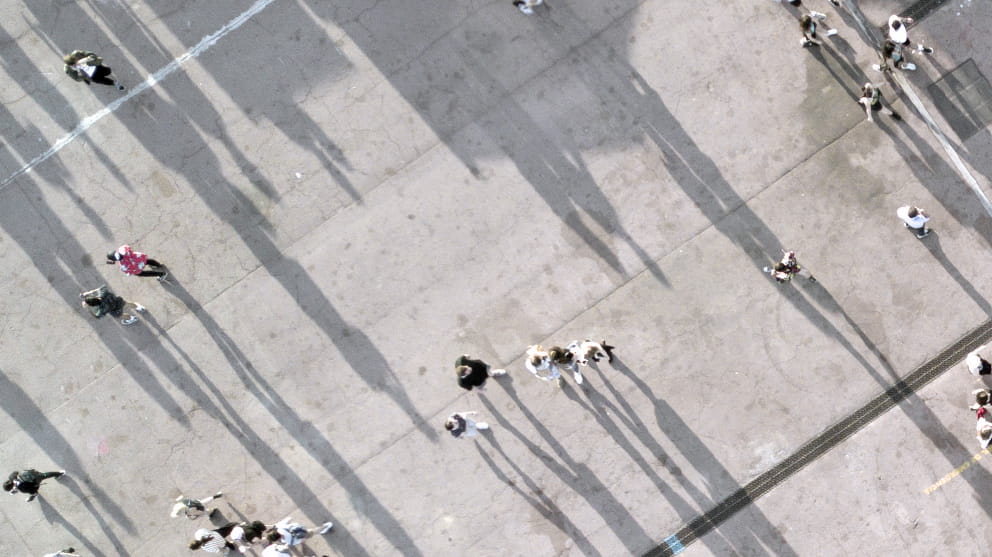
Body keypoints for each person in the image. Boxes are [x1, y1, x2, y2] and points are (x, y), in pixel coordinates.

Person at [79, 285, 145, 325]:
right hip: (118, 301)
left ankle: (132, 319)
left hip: (115, 310)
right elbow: (100, 289)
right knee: (127, 304)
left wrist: (87, 309)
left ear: (93, 305)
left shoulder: (102, 309)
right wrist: (88, 293)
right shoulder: (103, 293)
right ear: (95, 297)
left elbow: (97, 316)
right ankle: (139, 307)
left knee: (121, 315)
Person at [266, 516, 333, 546]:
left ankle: (327, 526)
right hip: (298, 527)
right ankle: (324, 527)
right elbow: (289, 518)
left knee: (315, 531)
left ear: (277, 539)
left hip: (303, 534)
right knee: (314, 531)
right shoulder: (279, 527)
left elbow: (302, 540)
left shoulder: (289, 542)